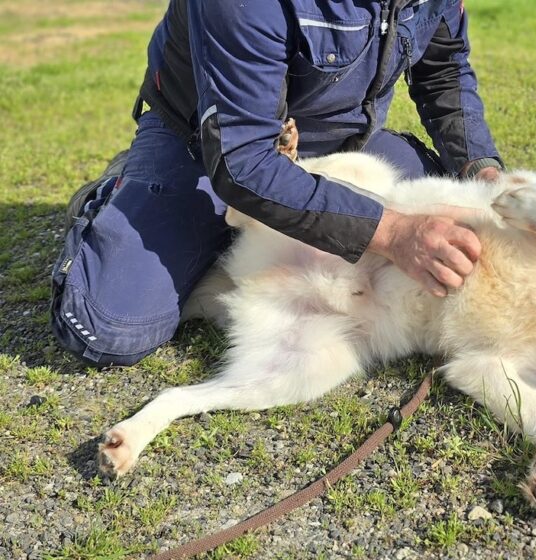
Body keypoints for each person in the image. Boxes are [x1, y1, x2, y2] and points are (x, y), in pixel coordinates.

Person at [50, 0, 503, 367]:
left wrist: (484, 175)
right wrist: (394, 231)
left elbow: (444, 73)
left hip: (336, 145)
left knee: (445, 207)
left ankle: (266, 222)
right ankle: (120, 193)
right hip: (213, 145)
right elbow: (245, 161)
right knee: (110, 325)